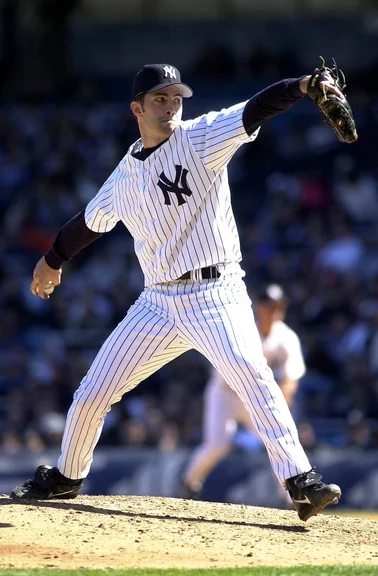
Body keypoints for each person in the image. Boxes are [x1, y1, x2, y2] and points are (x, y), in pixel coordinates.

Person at [11, 62, 342, 521]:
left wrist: (303, 86)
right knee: (92, 392)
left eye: (176, 98)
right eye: (160, 99)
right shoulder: (124, 175)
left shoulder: (201, 136)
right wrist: (52, 260)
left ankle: (300, 481)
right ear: (137, 108)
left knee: (252, 374)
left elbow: (256, 109)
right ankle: (68, 476)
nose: (171, 106)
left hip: (217, 292)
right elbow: (87, 225)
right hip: (158, 303)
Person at [181, 283, 306, 500]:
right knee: (218, 444)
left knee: (278, 440)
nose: (273, 311)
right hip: (225, 394)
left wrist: (281, 405)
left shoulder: (287, 338)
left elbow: (291, 378)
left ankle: (292, 498)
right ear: (259, 308)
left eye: (277, 306)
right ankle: (189, 483)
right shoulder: (243, 329)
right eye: (269, 306)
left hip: (256, 397)